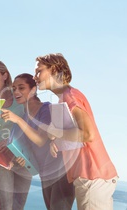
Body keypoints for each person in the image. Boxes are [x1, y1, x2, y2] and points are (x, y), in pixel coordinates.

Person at [34, 53, 118, 210]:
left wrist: (55, 132)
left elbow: (87, 134)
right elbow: (75, 137)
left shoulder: (70, 97)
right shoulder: (63, 98)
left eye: (39, 71)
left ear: (54, 69)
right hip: (86, 179)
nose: (35, 76)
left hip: (93, 178)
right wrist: (57, 141)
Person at [0, 73, 75, 209]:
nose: (16, 92)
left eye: (21, 88)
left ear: (33, 90)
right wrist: (21, 159)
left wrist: (18, 120)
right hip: (45, 173)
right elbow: (28, 149)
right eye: (14, 88)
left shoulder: (46, 109)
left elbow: (41, 140)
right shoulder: (24, 116)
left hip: (60, 172)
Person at [0, 61, 31, 210]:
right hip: (0, 158)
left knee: (18, 206)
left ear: (5, 76)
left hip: (23, 157)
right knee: (5, 206)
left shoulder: (20, 95)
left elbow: (32, 124)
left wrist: (13, 141)